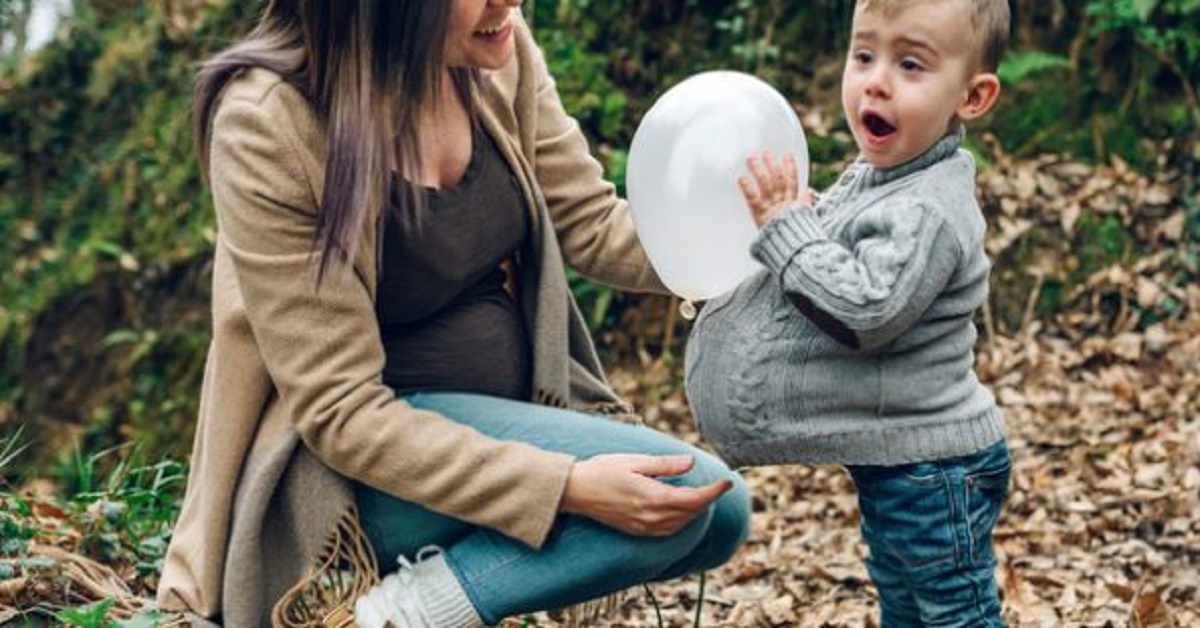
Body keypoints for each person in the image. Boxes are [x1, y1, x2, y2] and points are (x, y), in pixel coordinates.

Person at [156, 0, 751, 626]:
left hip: (491, 425)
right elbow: (340, 411)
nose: (510, 3)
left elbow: (593, 224)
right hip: (354, 480)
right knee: (687, 495)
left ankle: (438, 599)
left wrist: (757, 247)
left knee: (719, 516)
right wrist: (564, 486)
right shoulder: (269, 124)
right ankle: (396, 615)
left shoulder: (494, 49)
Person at [685, 0, 1012, 625]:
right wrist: (806, 224)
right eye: (864, 55)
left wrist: (789, 231)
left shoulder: (930, 205)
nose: (876, 80)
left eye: (910, 64)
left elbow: (868, 307)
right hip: (899, 460)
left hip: (937, 468)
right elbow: (840, 261)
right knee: (905, 602)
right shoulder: (881, 175)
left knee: (953, 613)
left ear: (972, 97)